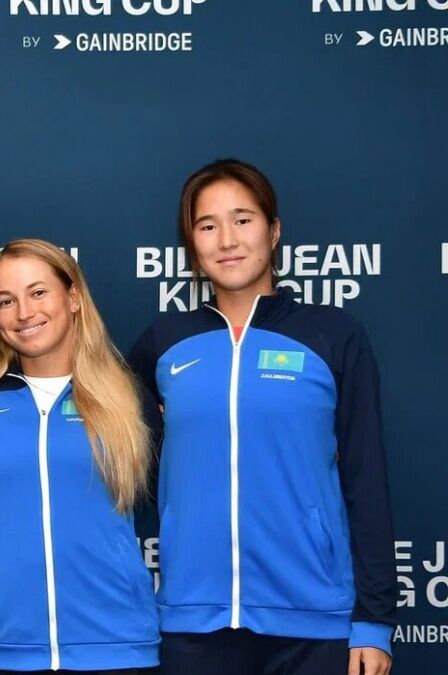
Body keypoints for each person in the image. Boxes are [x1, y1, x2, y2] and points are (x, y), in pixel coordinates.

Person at [127, 158, 396, 675]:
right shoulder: (164, 344)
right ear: (192, 245)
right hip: (192, 620)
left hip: (312, 622)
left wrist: (373, 621)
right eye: (207, 226)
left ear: (273, 232)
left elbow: (366, 479)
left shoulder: (333, 335)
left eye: (243, 220)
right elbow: (132, 460)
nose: (227, 240)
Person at [0, 239, 159, 675]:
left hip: (118, 649)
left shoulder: (130, 400)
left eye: (38, 292)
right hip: (6, 650)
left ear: (73, 297)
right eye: (6, 301)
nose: (24, 312)